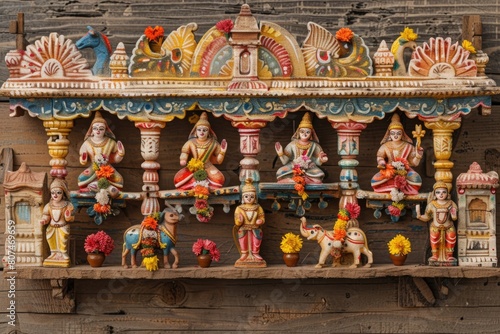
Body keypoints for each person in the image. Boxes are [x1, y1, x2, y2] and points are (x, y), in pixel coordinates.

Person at [371, 114, 423, 195]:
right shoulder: (385, 146)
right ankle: (391, 188)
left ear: (402, 134)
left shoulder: (408, 146)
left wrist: (418, 156)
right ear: (389, 134)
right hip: (390, 170)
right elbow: (380, 157)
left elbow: (414, 163)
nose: (395, 136)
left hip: (404, 170)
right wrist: (382, 163)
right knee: (374, 180)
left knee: (417, 180)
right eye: (393, 133)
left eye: (398, 133)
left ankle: (402, 188)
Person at [174, 112, 227, 190]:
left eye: (204, 130)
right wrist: (183, 159)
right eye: (199, 130)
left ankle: (204, 186)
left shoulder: (213, 143)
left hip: (208, 166)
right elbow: (184, 152)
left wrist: (222, 151)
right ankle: (197, 185)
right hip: (194, 166)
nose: (201, 132)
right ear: (195, 132)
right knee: (178, 179)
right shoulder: (191, 142)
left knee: (219, 179)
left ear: (209, 132)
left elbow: (219, 161)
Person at [78, 111, 125, 194]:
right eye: (95, 128)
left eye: (101, 129)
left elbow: (115, 159)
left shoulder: (110, 142)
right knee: (81, 178)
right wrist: (83, 158)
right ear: (91, 130)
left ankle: (104, 187)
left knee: (119, 180)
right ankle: (93, 187)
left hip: (107, 168)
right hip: (94, 167)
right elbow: (83, 160)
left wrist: (120, 153)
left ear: (105, 130)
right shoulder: (87, 143)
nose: (98, 131)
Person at [275, 112, 328, 184]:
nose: (304, 134)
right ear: (298, 132)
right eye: (302, 131)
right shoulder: (292, 144)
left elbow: (317, 162)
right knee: (280, 172)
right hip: (293, 166)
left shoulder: (314, 145)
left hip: (309, 167)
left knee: (319, 174)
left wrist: (321, 159)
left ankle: (297, 180)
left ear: (311, 134)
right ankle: (298, 180)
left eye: (307, 132)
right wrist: (280, 153)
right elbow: (285, 161)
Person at [416, 182, 458, 265]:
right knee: (434, 239)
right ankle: (435, 255)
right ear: (434, 194)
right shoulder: (431, 204)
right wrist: (419, 216)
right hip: (435, 226)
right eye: (438, 192)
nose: (441, 194)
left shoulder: (451, 203)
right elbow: (427, 217)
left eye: (444, 192)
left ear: (447, 193)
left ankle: (449, 256)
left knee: (451, 238)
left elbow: (454, 218)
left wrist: (453, 214)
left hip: (448, 226)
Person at [40, 178, 75, 267]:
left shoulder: (67, 205)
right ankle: (53, 253)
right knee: (50, 239)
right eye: (53, 193)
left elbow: (71, 218)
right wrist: (44, 220)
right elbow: (46, 215)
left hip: (63, 227)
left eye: (58, 192)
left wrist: (68, 216)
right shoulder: (49, 205)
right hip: (51, 227)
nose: (55, 195)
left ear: (63, 194)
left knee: (63, 239)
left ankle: (63, 253)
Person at [233, 179, 266, 267]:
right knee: (243, 240)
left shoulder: (258, 207)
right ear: (243, 198)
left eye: (251, 196)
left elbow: (262, 217)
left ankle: (255, 253)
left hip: (255, 227)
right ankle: (244, 253)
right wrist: (239, 221)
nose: (249, 198)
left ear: (255, 197)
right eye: (246, 196)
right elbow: (236, 221)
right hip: (243, 228)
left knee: (256, 240)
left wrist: (261, 221)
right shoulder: (239, 208)